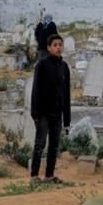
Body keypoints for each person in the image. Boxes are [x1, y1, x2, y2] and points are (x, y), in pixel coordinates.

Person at [30, 33, 71, 183]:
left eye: (60, 45)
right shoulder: (41, 65)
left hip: (57, 113)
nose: (58, 48)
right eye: (55, 45)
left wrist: (67, 119)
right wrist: (35, 113)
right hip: (43, 113)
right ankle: (34, 175)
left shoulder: (64, 67)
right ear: (48, 48)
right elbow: (36, 90)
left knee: (54, 145)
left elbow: (66, 93)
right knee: (40, 144)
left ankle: (49, 175)